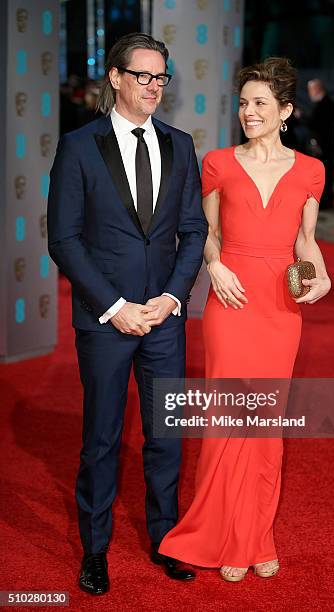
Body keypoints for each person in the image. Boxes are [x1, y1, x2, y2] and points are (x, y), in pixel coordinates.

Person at [159, 57, 331, 581]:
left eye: (259, 104)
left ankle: (257, 535)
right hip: (230, 305)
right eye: (243, 103)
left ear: (285, 111)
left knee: (265, 427)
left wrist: (321, 277)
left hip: (280, 309)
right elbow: (205, 232)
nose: (248, 112)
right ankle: (225, 536)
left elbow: (306, 243)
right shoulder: (218, 162)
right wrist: (215, 265)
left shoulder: (310, 170)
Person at [47, 32, 208, 594]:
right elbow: (64, 240)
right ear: (115, 78)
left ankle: (166, 539)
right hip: (106, 321)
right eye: (143, 76)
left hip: (165, 317)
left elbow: (193, 230)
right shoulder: (79, 146)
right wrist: (114, 308)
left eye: (161, 78)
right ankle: (95, 549)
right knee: (103, 438)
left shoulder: (181, 144)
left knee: (166, 436)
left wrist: (171, 297)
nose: (154, 87)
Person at [306, 79, 334, 209]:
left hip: (325, 144)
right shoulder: (323, 103)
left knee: (326, 174)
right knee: (322, 174)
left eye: (311, 90)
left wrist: (303, 117)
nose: (309, 93)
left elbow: (319, 125)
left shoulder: (327, 104)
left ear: (317, 89)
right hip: (323, 144)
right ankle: (323, 200)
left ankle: (325, 201)